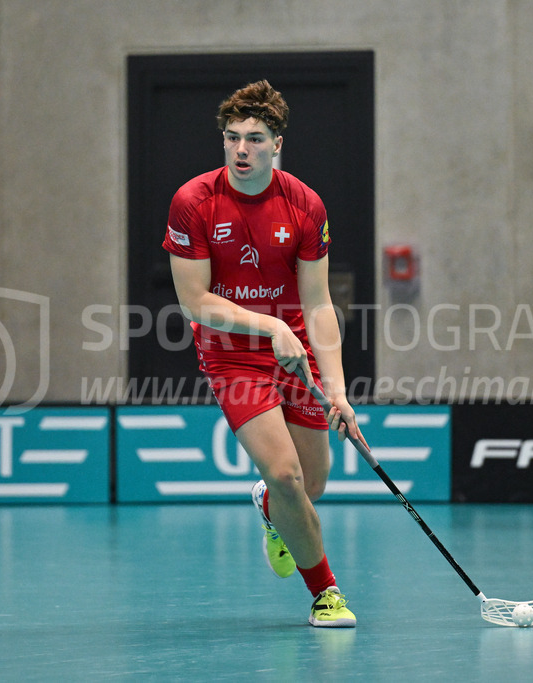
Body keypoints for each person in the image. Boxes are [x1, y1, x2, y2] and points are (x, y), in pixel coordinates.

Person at [162, 80, 365, 628]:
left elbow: (320, 305)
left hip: (295, 348)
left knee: (313, 484)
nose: (241, 150)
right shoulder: (194, 202)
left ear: (278, 144)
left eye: (255, 139)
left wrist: (340, 393)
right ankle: (326, 593)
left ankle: (272, 513)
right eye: (232, 138)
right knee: (286, 475)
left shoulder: (304, 205)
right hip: (232, 353)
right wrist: (268, 323)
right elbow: (194, 301)